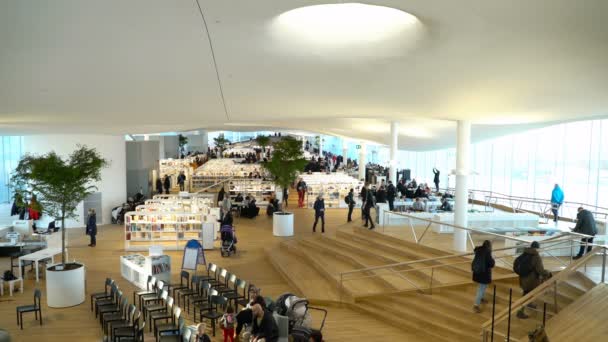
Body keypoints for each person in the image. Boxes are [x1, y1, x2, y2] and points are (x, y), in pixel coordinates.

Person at [515, 241, 551, 319]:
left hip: (523, 278)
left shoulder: (525, 253)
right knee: (526, 295)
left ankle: (529, 303)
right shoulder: (536, 256)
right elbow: (540, 270)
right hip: (531, 280)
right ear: (537, 248)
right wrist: (547, 272)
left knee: (527, 293)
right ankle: (520, 311)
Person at [472, 240, 495, 313]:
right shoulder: (487, 252)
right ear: (489, 246)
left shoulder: (478, 251)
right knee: (481, 288)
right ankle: (476, 305)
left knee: (482, 287)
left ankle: (481, 298)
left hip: (477, 273)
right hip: (484, 274)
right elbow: (491, 264)